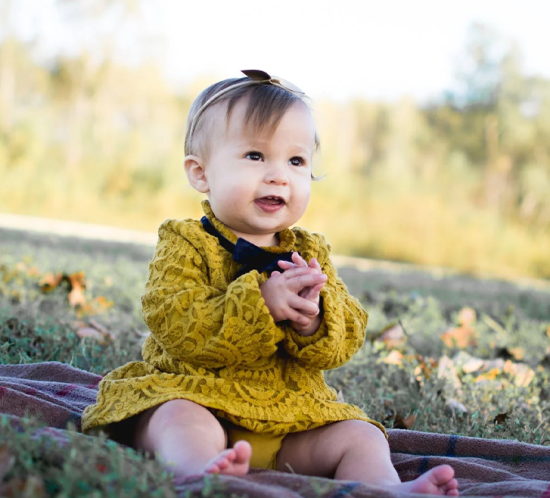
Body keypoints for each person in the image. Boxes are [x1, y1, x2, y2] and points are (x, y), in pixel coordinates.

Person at [82, 70, 459, 496]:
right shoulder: (185, 241)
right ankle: (201, 473)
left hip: (289, 418)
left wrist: (314, 320)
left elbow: (348, 332)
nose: (279, 175)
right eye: (256, 156)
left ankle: (386, 490)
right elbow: (175, 318)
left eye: (296, 161)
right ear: (201, 173)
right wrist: (259, 303)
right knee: (175, 419)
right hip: (198, 394)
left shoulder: (310, 251)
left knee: (362, 435)